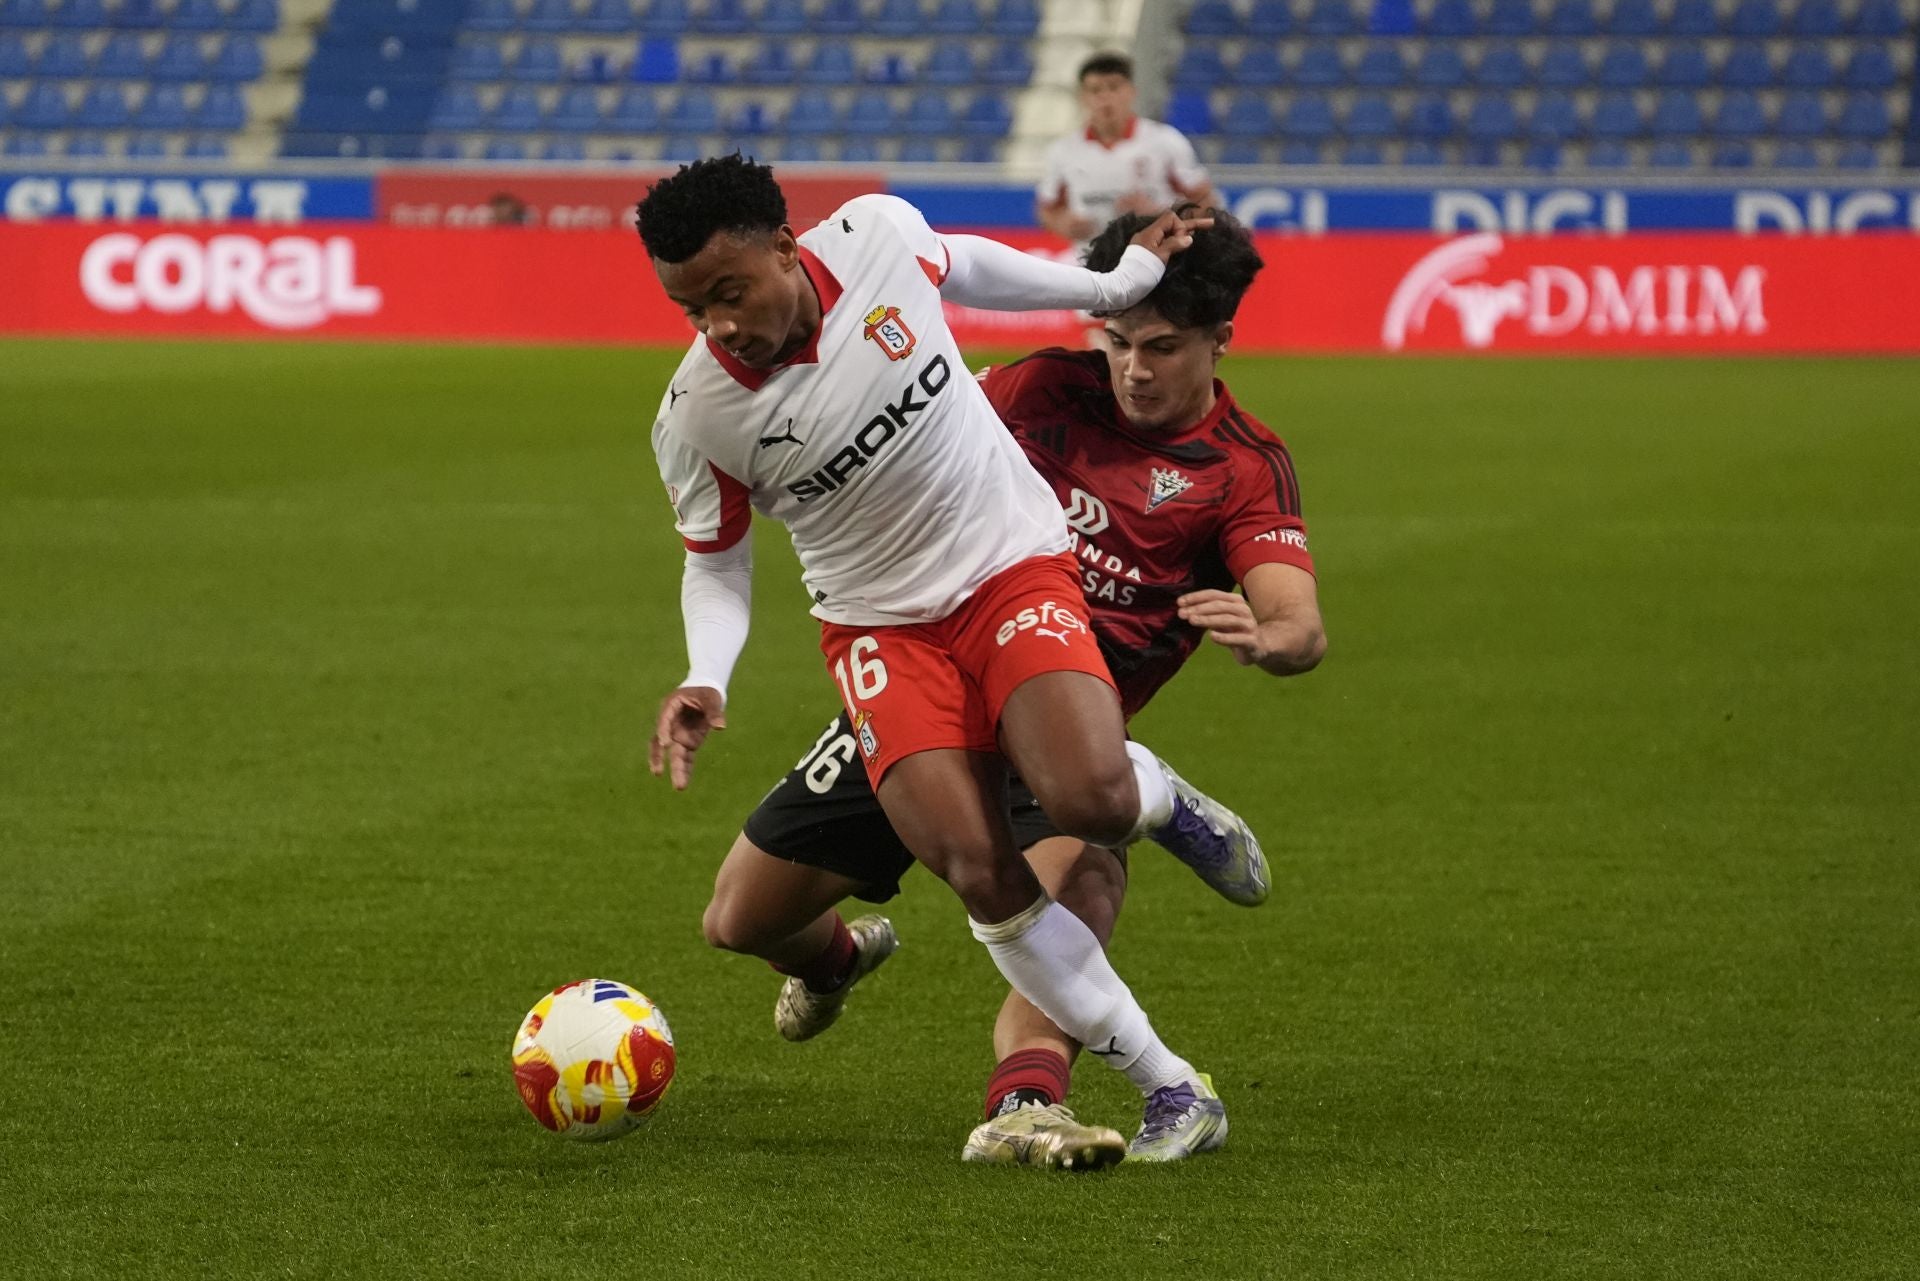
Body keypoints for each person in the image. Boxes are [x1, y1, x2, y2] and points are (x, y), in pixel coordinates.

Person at [637, 157, 1264, 1173]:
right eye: (691, 308)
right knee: (979, 869)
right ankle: (1173, 1087)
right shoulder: (698, 416)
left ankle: (1154, 793)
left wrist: (1106, 291)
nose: (718, 325)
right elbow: (714, 564)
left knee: (1093, 802)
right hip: (881, 632)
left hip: (1009, 569)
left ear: (785, 249)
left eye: (728, 291)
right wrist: (707, 675)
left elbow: (966, 264)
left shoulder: (880, 236)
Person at [1036, 52, 1217, 250]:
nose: (1105, 97)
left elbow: (1207, 203)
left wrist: (1159, 215)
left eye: (1114, 88)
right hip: (1090, 264)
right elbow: (1048, 211)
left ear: (1131, 91)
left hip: (1156, 259)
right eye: (1095, 90)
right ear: (1083, 97)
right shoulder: (1063, 151)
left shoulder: (1165, 141)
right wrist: (1065, 225)